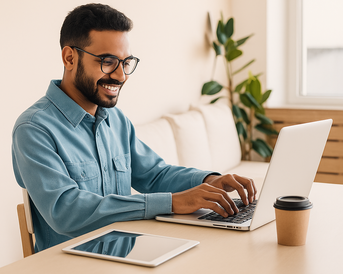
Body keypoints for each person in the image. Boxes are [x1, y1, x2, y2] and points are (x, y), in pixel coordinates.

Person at [12, 3, 257, 252]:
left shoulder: (115, 120)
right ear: (70, 57)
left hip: (125, 264)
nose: (121, 75)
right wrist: (172, 203)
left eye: (126, 62)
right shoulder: (34, 129)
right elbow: (65, 211)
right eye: (108, 61)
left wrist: (209, 181)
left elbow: (154, 175)